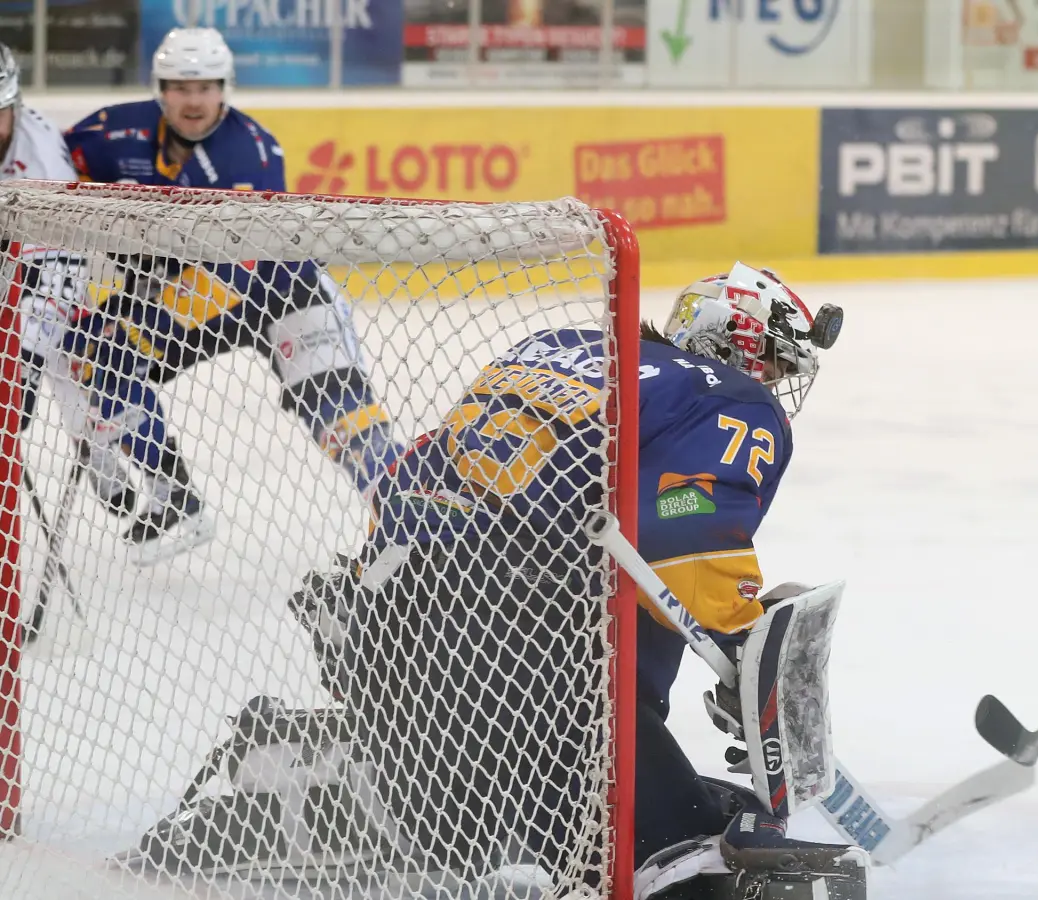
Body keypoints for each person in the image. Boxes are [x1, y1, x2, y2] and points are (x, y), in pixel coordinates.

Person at [128, 264, 866, 900]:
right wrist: (739, 638)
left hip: (381, 631)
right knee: (687, 853)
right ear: (733, 343)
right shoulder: (729, 396)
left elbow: (417, 470)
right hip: (522, 665)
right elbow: (681, 524)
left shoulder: (559, 347)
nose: (773, 382)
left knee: (470, 828)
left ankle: (311, 779)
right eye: (769, 360)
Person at [58, 27, 402, 564]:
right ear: (160, 87)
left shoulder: (251, 157)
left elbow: (234, 273)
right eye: (178, 86)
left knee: (342, 416)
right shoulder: (110, 133)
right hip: (178, 285)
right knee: (88, 350)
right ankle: (174, 498)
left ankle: (413, 520)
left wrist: (139, 321)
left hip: (282, 292)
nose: (193, 100)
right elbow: (48, 166)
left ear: (226, 87)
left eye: (206, 86)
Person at [0, 43, 139, 517]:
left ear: (14, 107)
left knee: (64, 356)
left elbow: (62, 266)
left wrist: (25, 365)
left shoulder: (41, 159)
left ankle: (103, 461)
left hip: (49, 264)